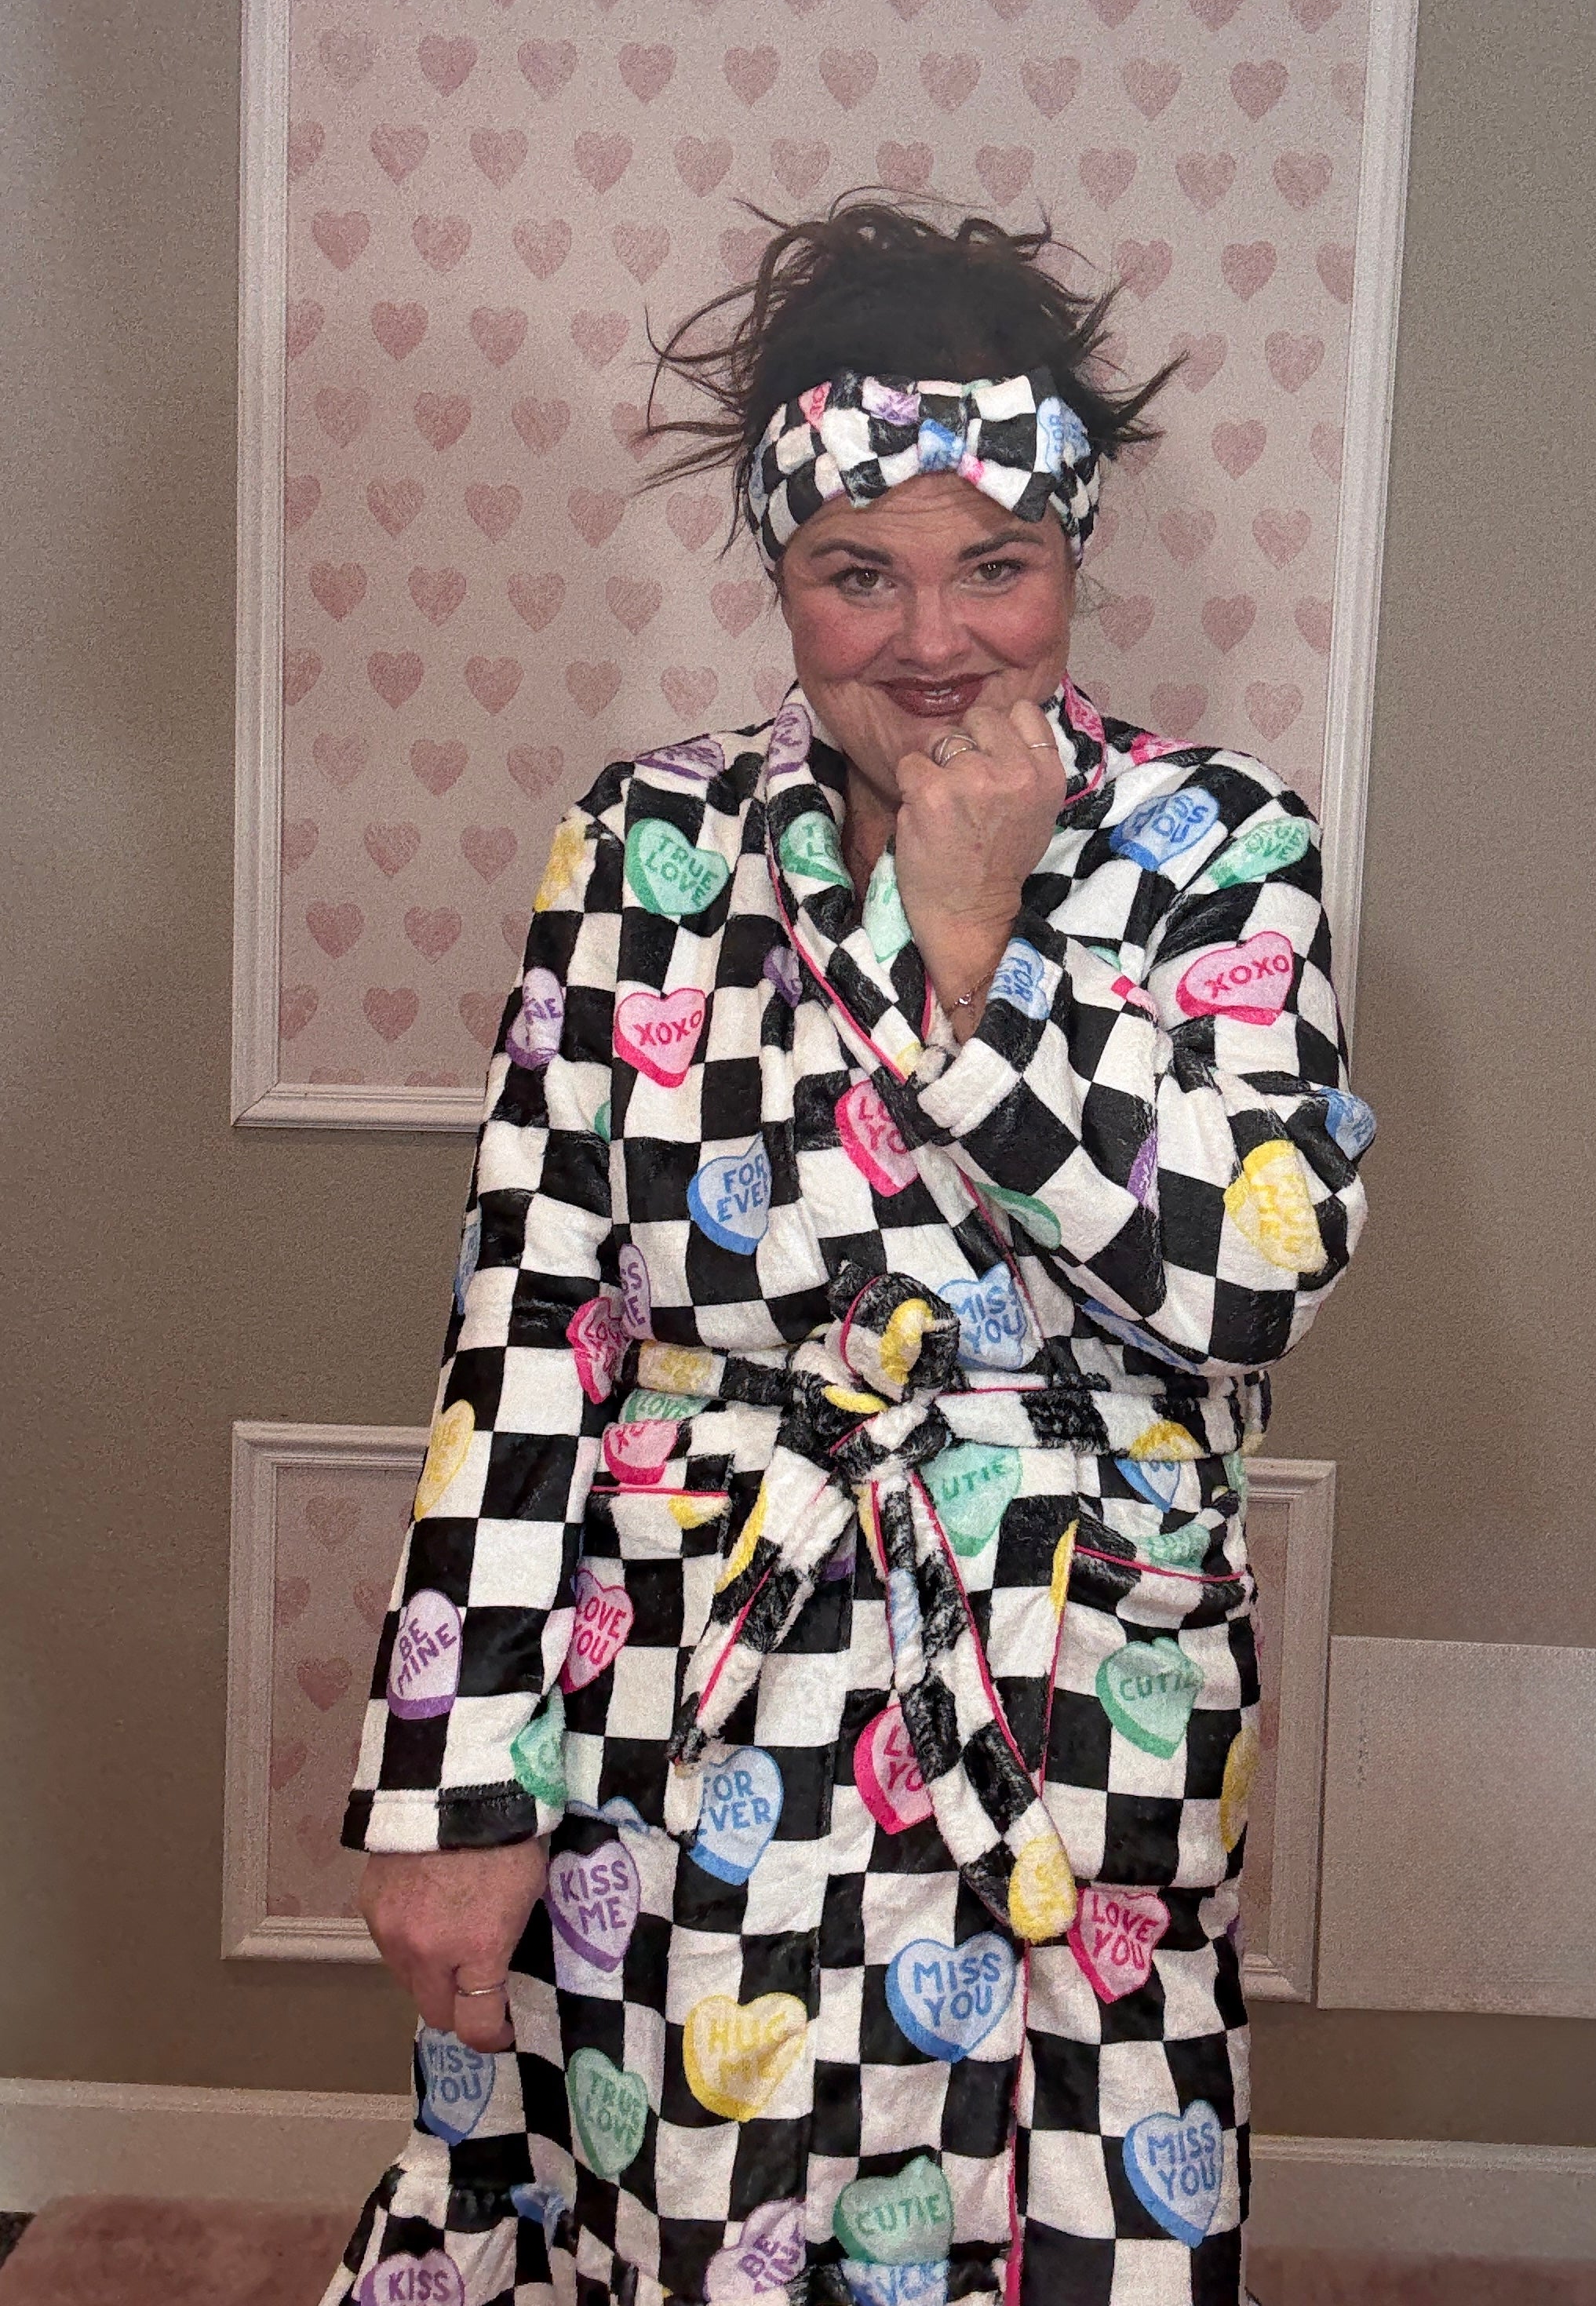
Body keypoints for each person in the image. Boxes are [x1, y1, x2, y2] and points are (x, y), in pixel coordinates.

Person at [324, 198, 1371, 2306]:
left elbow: (1246, 1283)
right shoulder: (648, 844)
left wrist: (971, 959)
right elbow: (530, 1324)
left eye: (996, 565)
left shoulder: (1215, 846)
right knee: (695, 2214)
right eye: (855, 573)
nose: (931, 640)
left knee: (1071, 2219)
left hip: (1073, 1682)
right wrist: (449, 1785)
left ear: (1073, 558)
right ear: (776, 572)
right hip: (697, 1671)